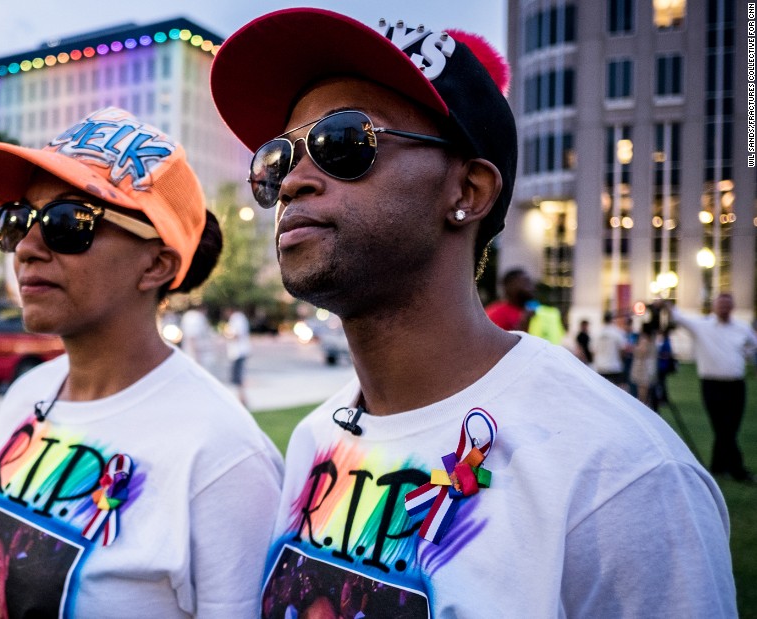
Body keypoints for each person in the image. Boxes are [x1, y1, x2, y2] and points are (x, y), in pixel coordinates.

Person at [210, 8, 734, 616]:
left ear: (468, 192)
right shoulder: (315, 439)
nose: (295, 179)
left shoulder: (619, 476)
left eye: (343, 142)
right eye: (277, 158)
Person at [0, 106, 283, 618]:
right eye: (16, 220)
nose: (26, 247)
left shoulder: (223, 458)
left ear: (156, 263)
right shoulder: (27, 396)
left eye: (68, 222)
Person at [665, 294, 757, 483]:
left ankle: (717, 467)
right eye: (720, 305)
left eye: (727, 305)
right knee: (723, 427)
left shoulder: (741, 327)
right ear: (714, 307)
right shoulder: (703, 326)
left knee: (730, 427)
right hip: (712, 384)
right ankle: (738, 470)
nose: (724, 308)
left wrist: (744, 356)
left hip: (736, 385)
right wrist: (667, 304)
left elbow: (752, 346)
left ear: (732, 307)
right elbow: (679, 317)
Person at [592, 311, 629, 387]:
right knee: (616, 392)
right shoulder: (617, 332)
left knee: (602, 390)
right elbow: (623, 349)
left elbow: (593, 350)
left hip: (601, 366)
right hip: (614, 366)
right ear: (612, 320)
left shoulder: (597, 333)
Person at [224, 306, 252, 405]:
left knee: (238, 377)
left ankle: (243, 400)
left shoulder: (237, 318)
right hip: (239, 352)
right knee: (238, 377)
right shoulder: (240, 317)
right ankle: (241, 399)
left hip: (238, 352)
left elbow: (236, 335)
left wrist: (227, 335)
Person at [629, 322, 659, 409]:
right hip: (650, 367)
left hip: (643, 369)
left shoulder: (644, 340)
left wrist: (634, 349)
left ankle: (643, 408)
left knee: (642, 392)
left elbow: (642, 352)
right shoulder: (653, 340)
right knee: (646, 391)